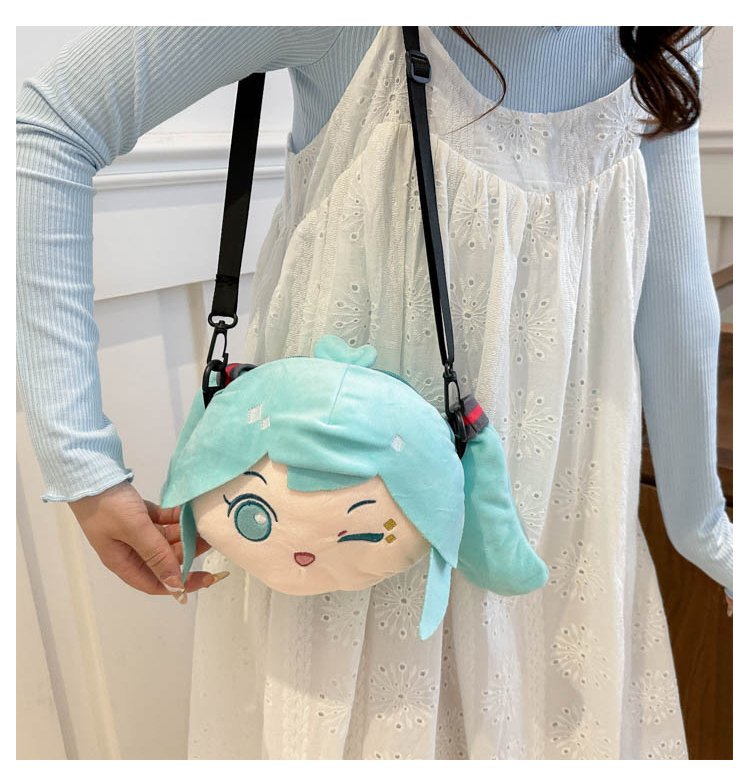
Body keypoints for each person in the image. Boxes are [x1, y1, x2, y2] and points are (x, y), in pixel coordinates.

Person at [16, 26, 733, 759]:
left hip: (561, 519)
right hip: (343, 533)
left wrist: (703, 527)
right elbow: (51, 122)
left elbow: (676, 295)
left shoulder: (661, 32)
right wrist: (81, 464)